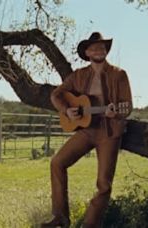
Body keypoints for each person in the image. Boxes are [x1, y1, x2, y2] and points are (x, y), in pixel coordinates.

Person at [41, 32, 132, 228]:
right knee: (57, 162)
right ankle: (60, 218)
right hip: (86, 130)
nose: (99, 50)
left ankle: (89, 224)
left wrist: (114, 113)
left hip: (109, 132)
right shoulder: (79, 76)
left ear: (106, 51)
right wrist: (67, 110)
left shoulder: (119, 74)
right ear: (87, 52)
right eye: (94, 47)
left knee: (104, 185)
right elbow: (56, 94)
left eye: (102, 47)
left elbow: (128, 105)